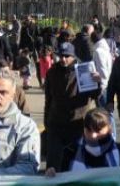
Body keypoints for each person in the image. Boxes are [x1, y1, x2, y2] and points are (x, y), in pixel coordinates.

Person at [43, 42, 101, 171]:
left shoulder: (84, 69)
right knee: (53, 163)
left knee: (76, 162)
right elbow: (48, 99)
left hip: (77, 123)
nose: (63, 59)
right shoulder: (52, 72)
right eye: (61, 56)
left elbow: (95, 95)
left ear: (73, 56)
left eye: (67, 56)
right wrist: (46, 120)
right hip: (56, 123)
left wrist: (98, 83)